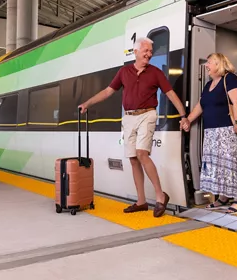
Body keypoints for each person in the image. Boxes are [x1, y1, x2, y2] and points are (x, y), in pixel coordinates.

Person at [78, 37, 189, 218]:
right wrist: (87, 103)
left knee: (141, 153)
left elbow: (170, 94)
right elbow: (108, 91)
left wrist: (183, 115)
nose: (149, 54)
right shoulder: (124, 72)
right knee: (133, 158)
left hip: (148, 114)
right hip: (129, 117)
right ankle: (141, 201)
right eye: (146, 50)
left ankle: (161, 196)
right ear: (135, 51)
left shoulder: (155, 73)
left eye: (151, 52)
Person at [180, 53, 237, 214]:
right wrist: (188, 120)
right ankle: (223, 197)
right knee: (218, 167)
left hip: (227, 130)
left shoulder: (230, 79)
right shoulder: (209, 84)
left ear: (219, 64)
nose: (206, 66)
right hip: (211, 133)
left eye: (209, 62)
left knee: (231, 163)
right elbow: (200, 105)